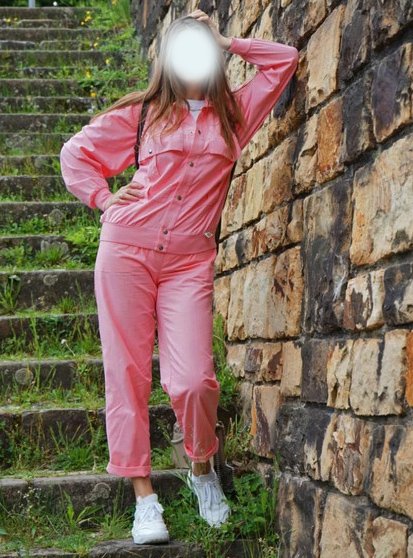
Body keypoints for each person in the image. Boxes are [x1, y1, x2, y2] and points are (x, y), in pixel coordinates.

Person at [59, 8, 298, 546]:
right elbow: (76, 154)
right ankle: (144, 499)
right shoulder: (145, 113)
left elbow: (285, 62)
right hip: (126, 251)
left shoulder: (234, 114)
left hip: (189, 263)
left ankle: (201, 467)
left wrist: (227, 39)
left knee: (193, 381)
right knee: (126, 374)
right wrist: (104, 199)